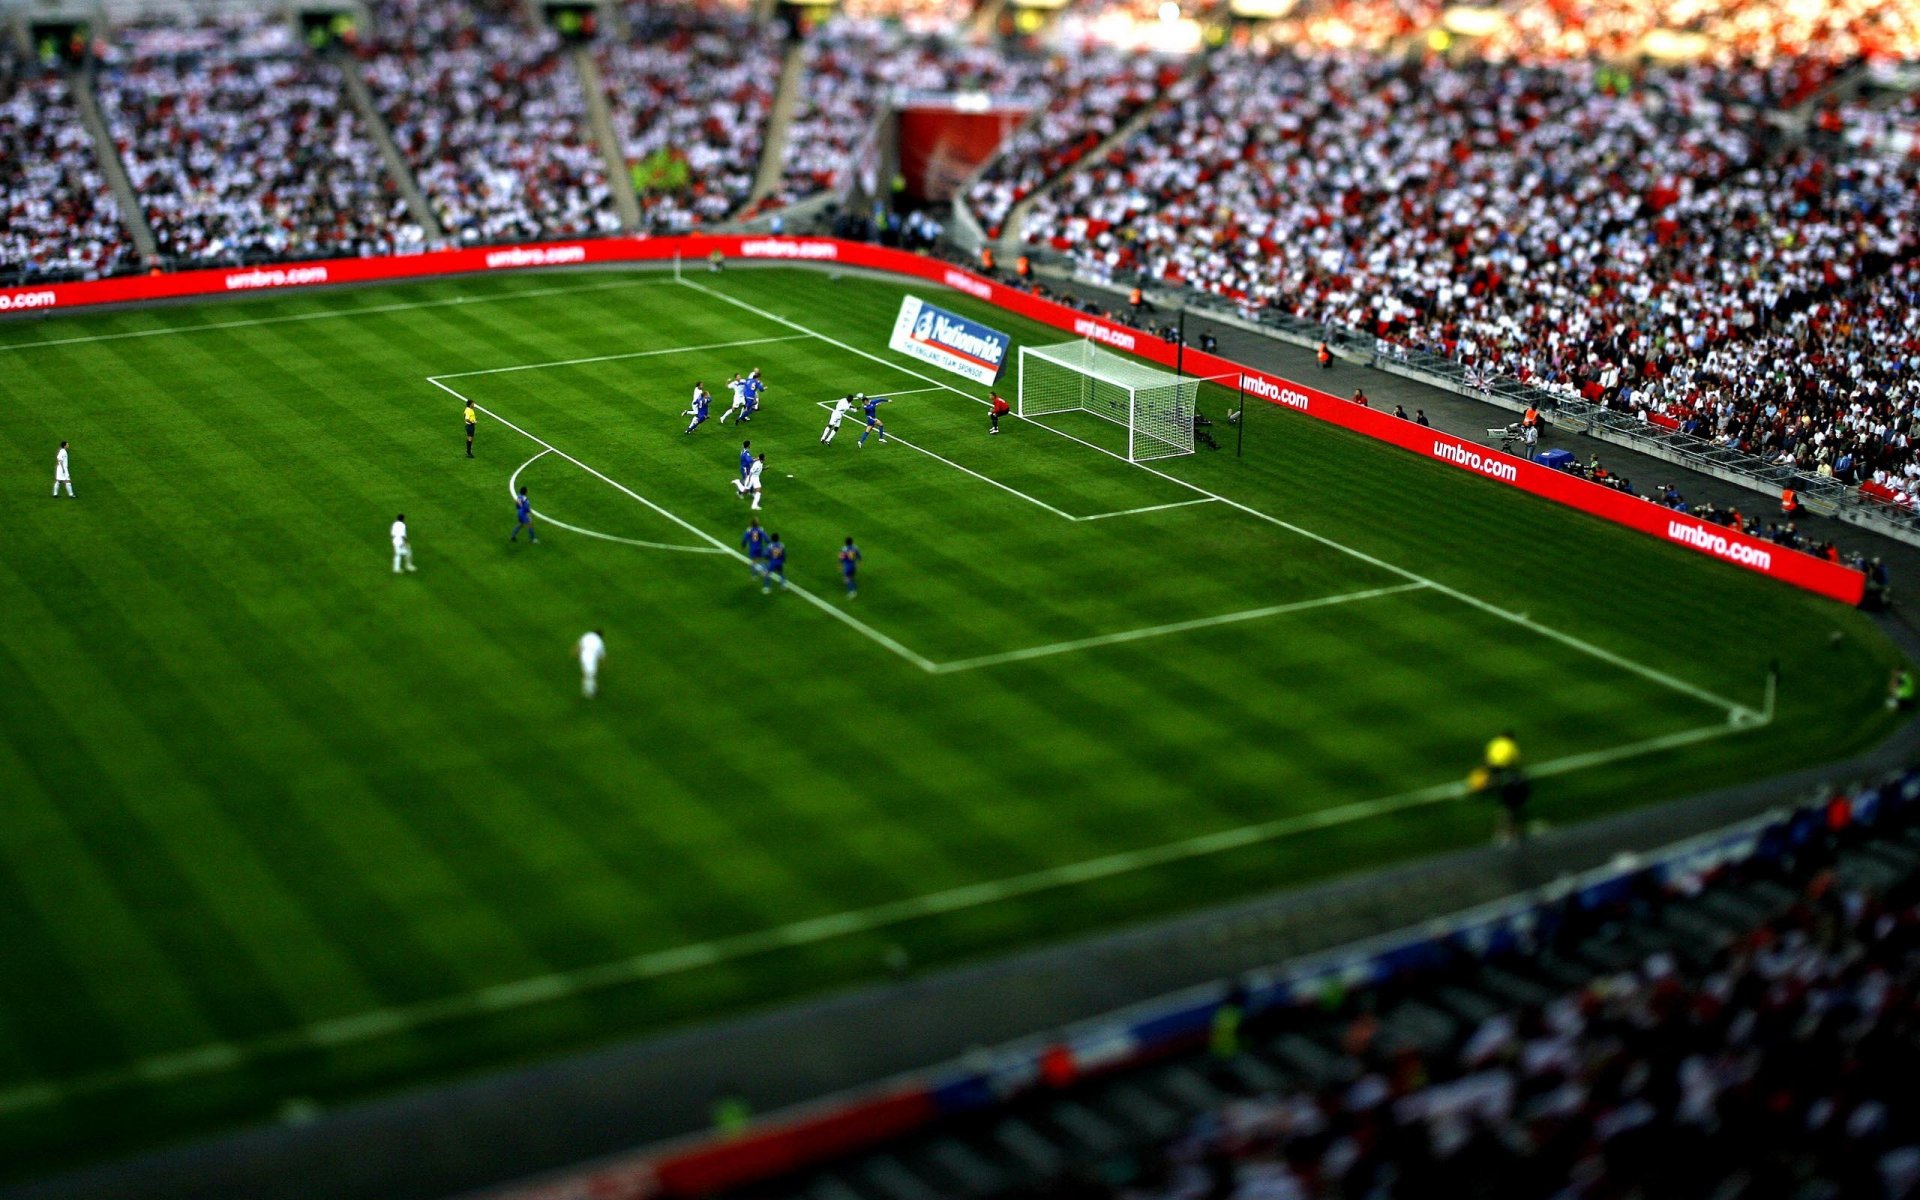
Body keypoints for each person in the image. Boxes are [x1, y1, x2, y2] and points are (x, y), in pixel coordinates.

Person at [1477, 730, 1528, 844]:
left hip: (1493, 769)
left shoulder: (1494, 743)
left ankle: (1502, 832)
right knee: (1510, 808)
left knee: (1505, 807)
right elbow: (1514, 762)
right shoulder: (1511, 745)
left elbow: (1487, 758)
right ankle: (1509, 832)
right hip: (1505, 775)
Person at [576, 629, 605, 698]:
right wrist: (604, 663)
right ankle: (589, 693)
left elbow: (579, 645)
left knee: (589, 674)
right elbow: (602, 655)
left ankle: (591, 689)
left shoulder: (588, 635)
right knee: (590, 675)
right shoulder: (599, 641)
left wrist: (575, 652)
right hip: (590, 659)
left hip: (583, 656)